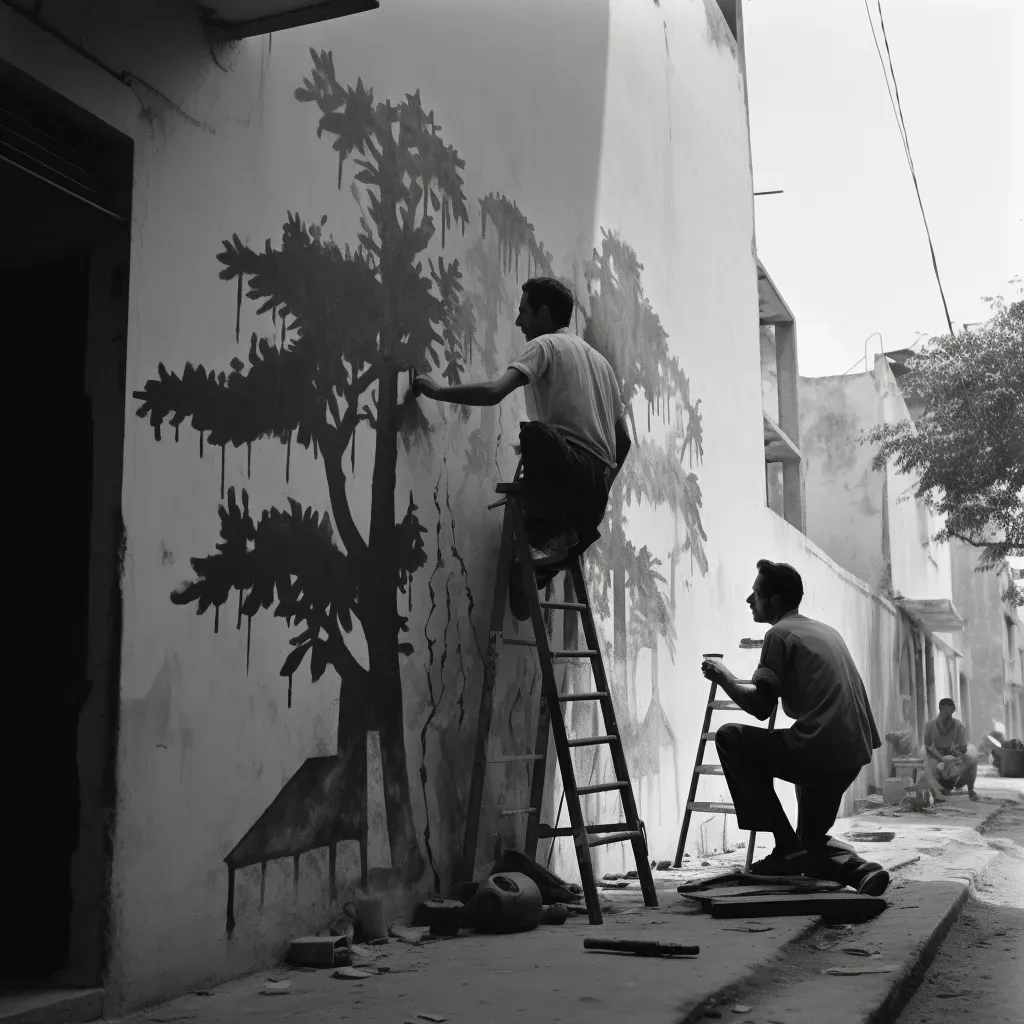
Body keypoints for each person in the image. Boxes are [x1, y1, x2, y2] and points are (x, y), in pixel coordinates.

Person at [413, 276, 631, 605]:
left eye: (523, 312)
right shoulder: (603, 365)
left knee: (534, 433)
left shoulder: (546, 345)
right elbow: (624, 442)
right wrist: (601, 487)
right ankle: (546, 556)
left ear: (543, 312)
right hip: (593, 493)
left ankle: (553, 535)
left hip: (569, 479)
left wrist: (436, 391)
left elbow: (495, 392)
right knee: (522, 588)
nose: (518, 322)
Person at [700, 560, 889, 895]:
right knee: (811, 845)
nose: (749, 600)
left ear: (773, 601)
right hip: (852, 752)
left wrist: (724, 677)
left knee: (731, 737)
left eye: (755, 594)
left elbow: (760, 707)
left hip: (821, 748)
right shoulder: (824, 630)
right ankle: (861, 872)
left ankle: (785, 847)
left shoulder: (779, 633)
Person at [923, 698, 979, 800]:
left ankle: (971, 790)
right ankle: (938, 791)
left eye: (952, 713)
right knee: (927, 769)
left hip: (951, 754)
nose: (950, 715)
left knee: (971, 760)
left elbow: (963, 747)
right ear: (943, 709)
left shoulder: (957, 725)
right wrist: (941, 758)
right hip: (935, 755)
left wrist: (955, 753)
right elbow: (928, 746)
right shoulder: (930, 725)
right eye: (949, 712)